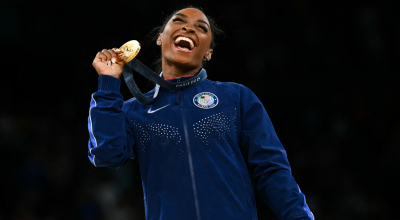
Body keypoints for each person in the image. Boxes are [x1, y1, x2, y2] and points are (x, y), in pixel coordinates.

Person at [88, 7, 314, 220]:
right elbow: (106, 155)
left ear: (208, 52)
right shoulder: (134, 110)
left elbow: (272, 169)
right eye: (179, 21)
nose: (188, 28)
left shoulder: (236, 97)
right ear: (160, 38)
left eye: (201, 27)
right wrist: (108, 83)